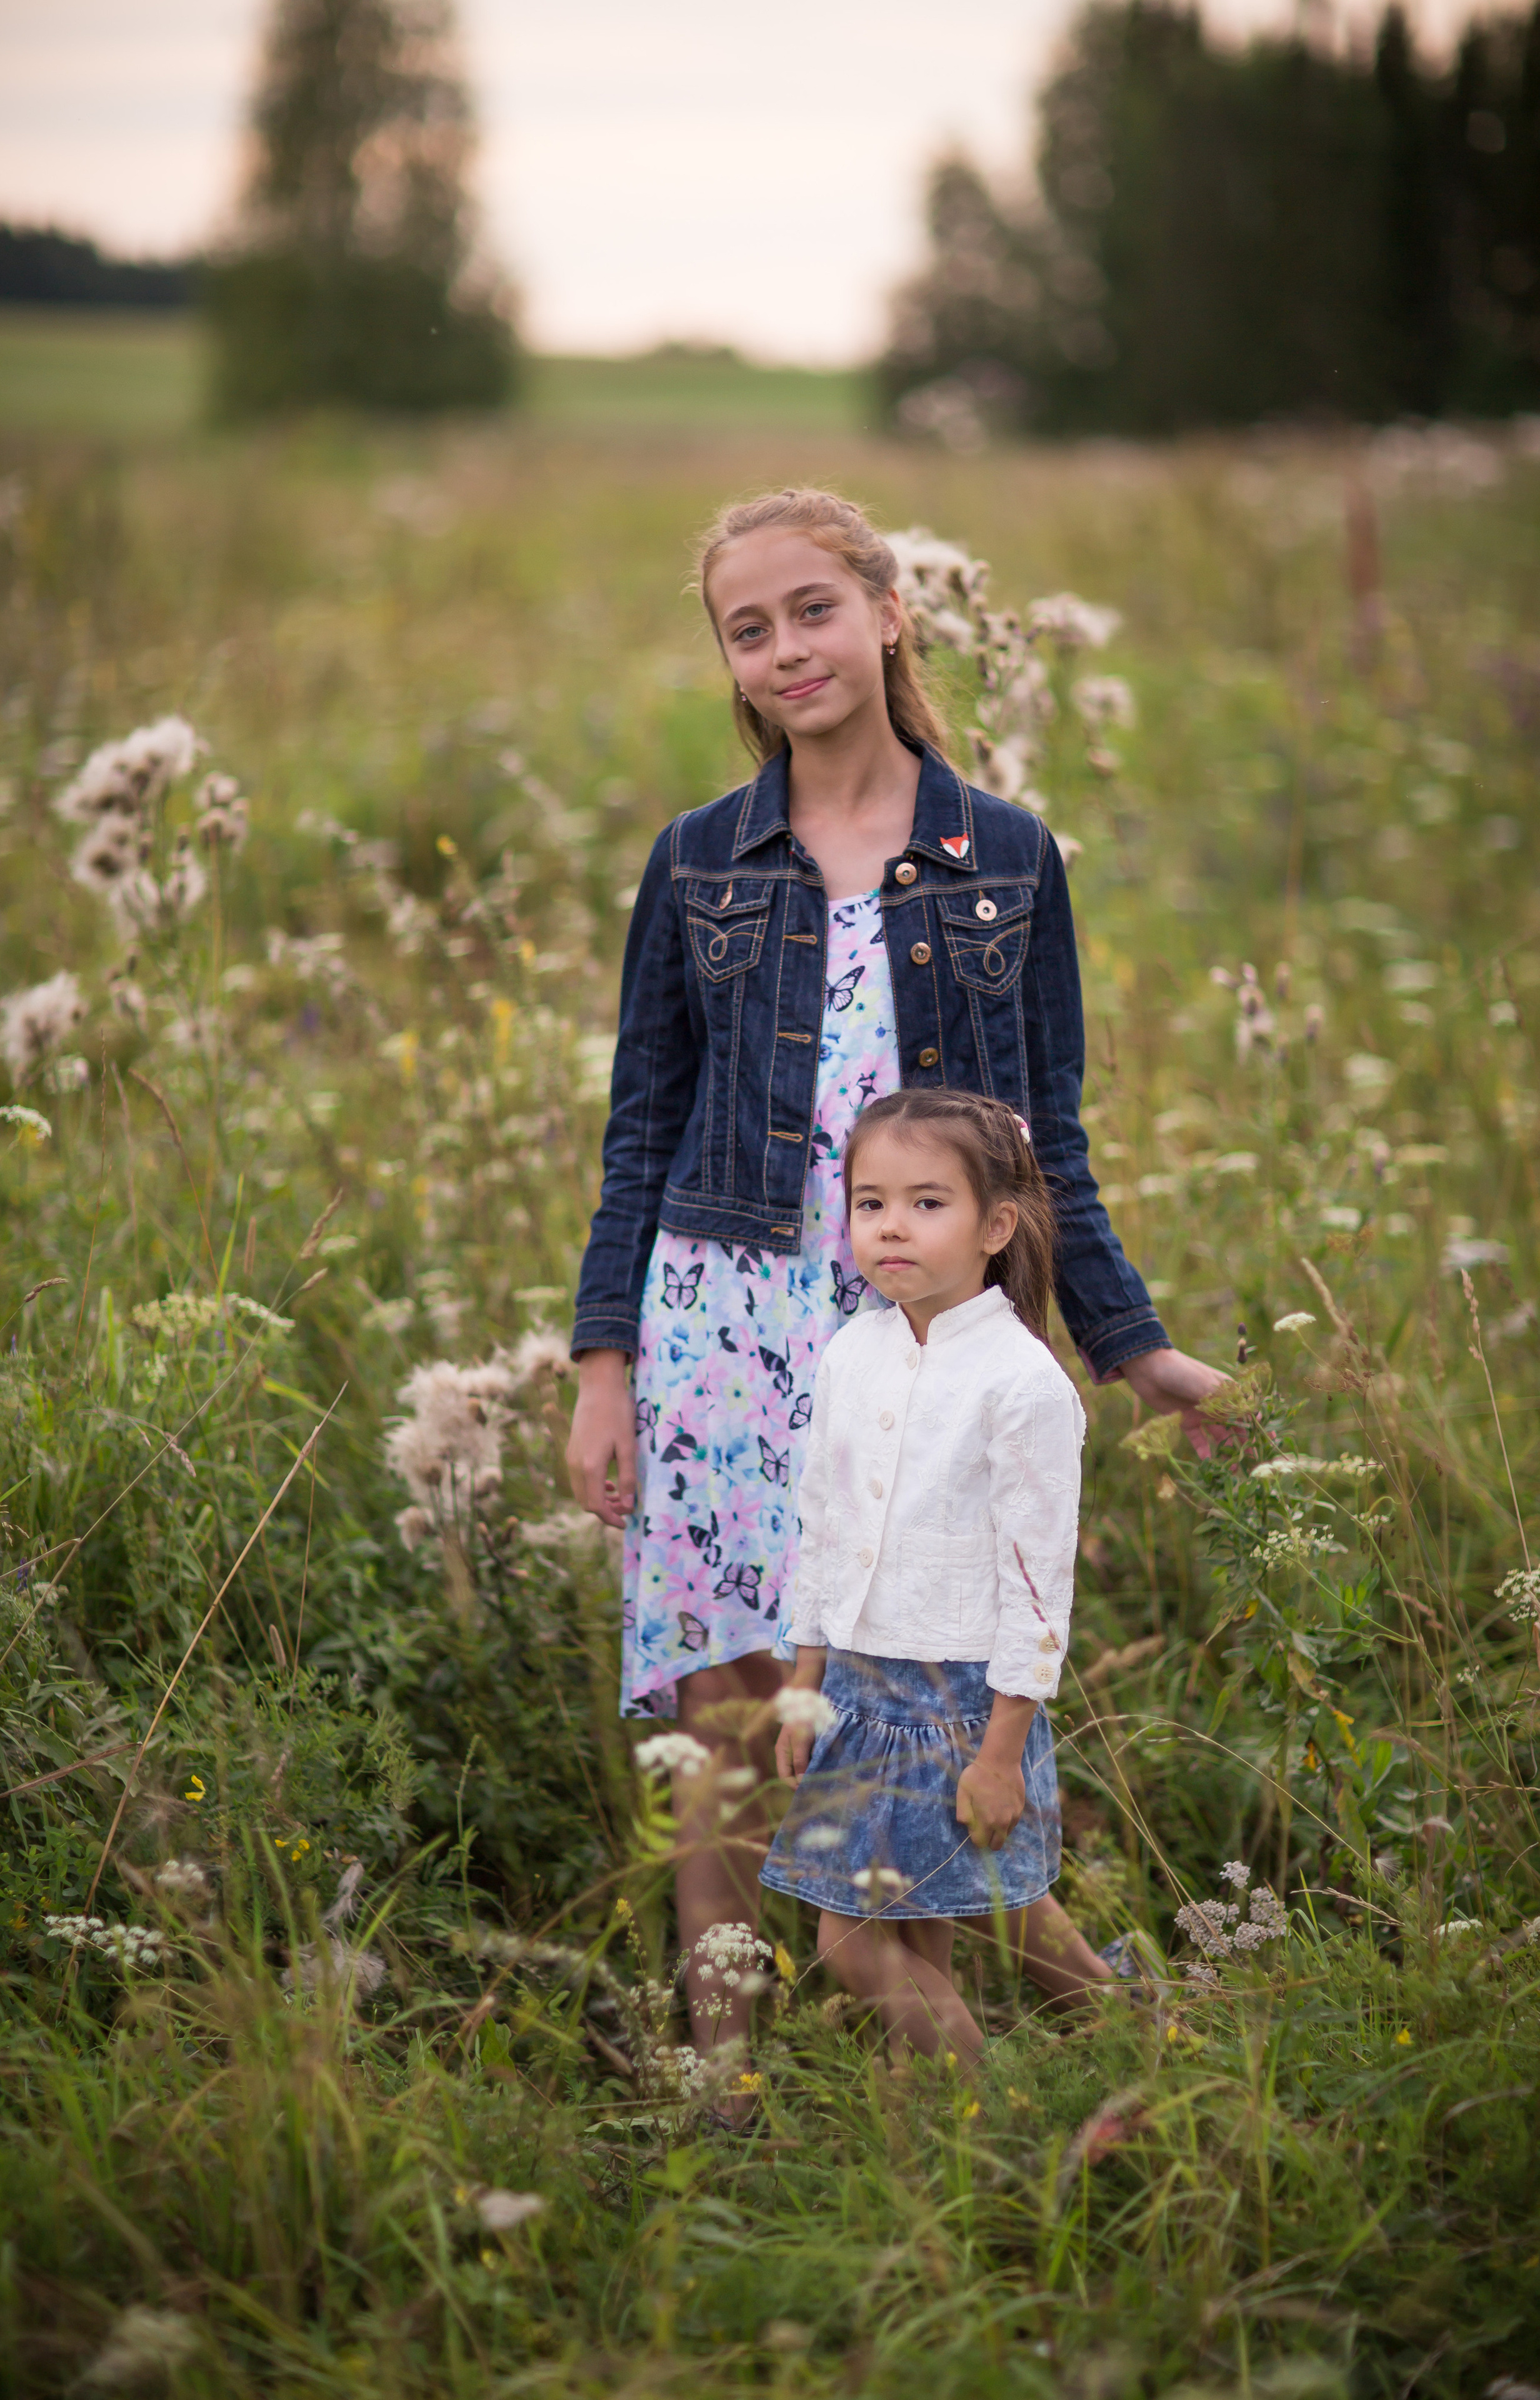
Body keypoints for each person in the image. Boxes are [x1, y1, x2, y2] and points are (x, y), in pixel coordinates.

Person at [568, 487, 1221, 2078]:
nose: (785, 648)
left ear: (884, 615)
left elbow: (1037, 1137)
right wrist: (602, 1367)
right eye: (748, 627)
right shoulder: (698, 861)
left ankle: (1094, 2007)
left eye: (812, 610)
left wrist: (1132, 1353)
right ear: (727, 660)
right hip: (717, 1321)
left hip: (911, 1341)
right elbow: (640, 1121)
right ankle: (719, 2075)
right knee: (726, 1712)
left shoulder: (1003, 859)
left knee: (909, 1699)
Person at [762, 1088, 1107, 2061]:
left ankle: (994, 2126)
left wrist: (1001, 1754)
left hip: (963, 1706)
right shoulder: (851, 1352)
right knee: (923, 1934)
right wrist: (803, 1680)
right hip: (859, 1693)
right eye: (870, 1204)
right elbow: (823, 1527)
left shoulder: (1020, 1380)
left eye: (927, 1203)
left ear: (996, 1225)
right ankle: (952, 2143)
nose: (892, 1228)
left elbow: (1041, 1588)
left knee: (863, 1940)